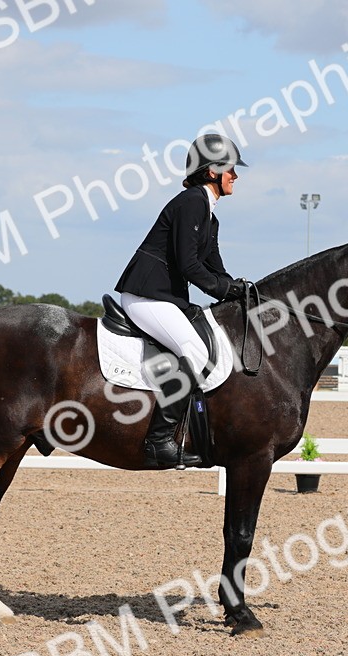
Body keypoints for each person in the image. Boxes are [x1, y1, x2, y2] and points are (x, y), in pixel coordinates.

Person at [114, 133, 250, 468]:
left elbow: (214, 269)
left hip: (167, 298)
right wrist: (226, 290)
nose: (236, 175)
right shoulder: (192, 202)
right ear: (211, 171)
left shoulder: (209, 215)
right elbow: (190, 266)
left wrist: (241, 290)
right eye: (231, 169)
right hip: (146, 296)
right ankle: (159, 440)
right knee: (195, 351)